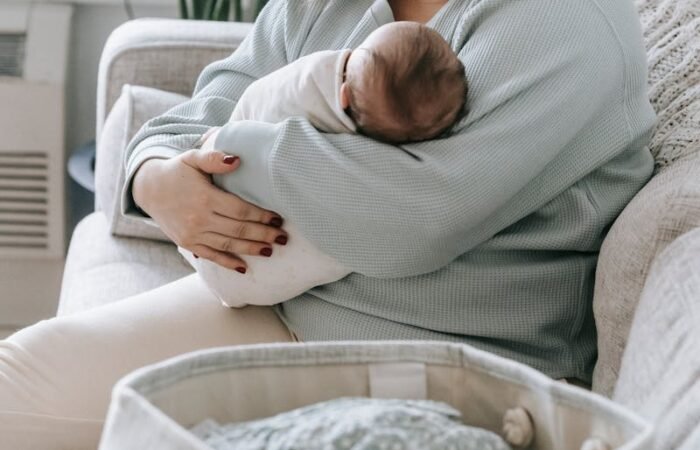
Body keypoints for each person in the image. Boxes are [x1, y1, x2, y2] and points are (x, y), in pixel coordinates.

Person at [0, 0, 656, 448]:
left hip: (451, 355)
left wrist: (232, 152)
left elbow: (409, 221)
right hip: (288, 303)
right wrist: (154, 178)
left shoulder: (569, 22)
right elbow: (206, 103)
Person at [183, 20, 467, 308]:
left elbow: (258, 102)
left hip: (254, 271)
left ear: (343, 94)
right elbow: (220, 93)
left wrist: (223, 138)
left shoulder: (312, 84)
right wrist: (152, 172)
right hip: (240, 260)